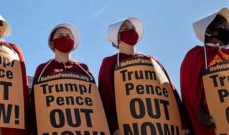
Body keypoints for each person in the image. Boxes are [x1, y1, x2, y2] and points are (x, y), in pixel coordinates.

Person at [98, 17, 189, 135]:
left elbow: (170, 90)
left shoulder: (151, 60)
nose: (131, 30)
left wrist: (182, 122)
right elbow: (106, 96)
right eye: (125, 29)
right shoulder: (109, 63)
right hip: (130, 127)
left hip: (160, 125)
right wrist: (114, 126)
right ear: (116, 36)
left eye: (132, 28)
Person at [31, 23, 109, 134]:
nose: (64, 37)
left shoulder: (84, 68)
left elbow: (96, 103)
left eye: (68, 36)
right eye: (60, 35)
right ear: (52, 43)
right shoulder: (43, 69)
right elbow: (35, 104)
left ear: (73, 43)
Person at [181, 7, 229, 135]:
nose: (227, 30)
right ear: (209, 31)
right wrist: (198, 110)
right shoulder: (196, 55)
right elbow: (188, 89)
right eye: (224, 27)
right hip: (211, 124)